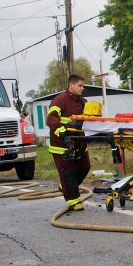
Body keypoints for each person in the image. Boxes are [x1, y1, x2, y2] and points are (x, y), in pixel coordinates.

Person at [47, 73, 91, 211]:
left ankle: (65, 186)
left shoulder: (83, 102)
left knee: (85, 167)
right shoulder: (60, 100)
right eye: (80, 85)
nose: (82, 88)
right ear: (71, 85)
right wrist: (62, 132)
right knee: (68, 173)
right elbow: (51, 119)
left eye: (83, 86)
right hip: (62, 145)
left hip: (79, 143)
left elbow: (89, 119)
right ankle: (74, 202)